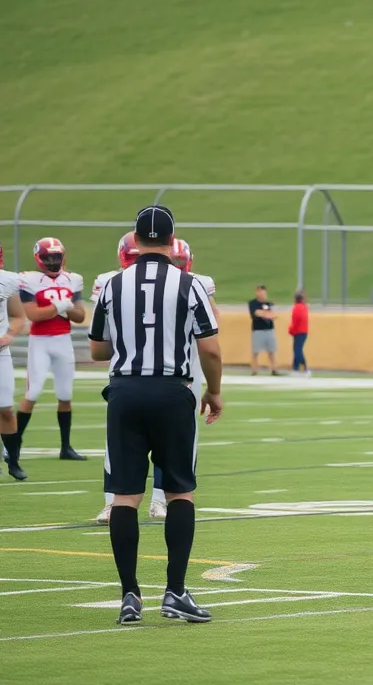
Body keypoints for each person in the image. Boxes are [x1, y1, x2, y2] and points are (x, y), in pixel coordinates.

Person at [89, 205, 223, 625]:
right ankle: (175, 591)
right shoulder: (189, 284)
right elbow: (211, 347)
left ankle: (130, 595)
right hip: (171, 391)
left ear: (134, 240)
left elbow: (96, 349)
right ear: (171, 240)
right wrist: (214, 392)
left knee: (125, 496)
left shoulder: (112, 285)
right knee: (180, 491)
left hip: (125, 392)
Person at [93, 233, 168, 523]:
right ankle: (116, 502)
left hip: (134, 374)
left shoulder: (113, 283)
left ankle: (147, 500)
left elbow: (98, 345)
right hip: (146, 373)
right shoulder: (112, 282)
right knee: (123, 445)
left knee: (122, 444)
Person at [13, 236, 87, 474]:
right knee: (32, 392)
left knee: (65, 394)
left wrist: (64, 310)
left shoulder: (72, 279)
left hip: (63, 340)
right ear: (39, 258)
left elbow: (80, 316)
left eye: (56, 256)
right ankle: (13, 444)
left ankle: (66, 447)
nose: (53, 261)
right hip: (40, 342)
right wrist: (61, 307)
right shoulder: (29, 280)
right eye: (48, 257)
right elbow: (33, 314)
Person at [0, 242, 26, 480]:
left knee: (6, 409)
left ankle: (13, 460)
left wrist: (8, 335)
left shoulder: (6, 280)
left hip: (0, 353)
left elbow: (18, 316)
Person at [248, 285, 278, 375]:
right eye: (259, 291)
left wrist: (264, 314)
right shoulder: (253, 303)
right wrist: (266, 314)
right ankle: (254, 370)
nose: (261, 293)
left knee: (271, 351)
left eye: (263, 291)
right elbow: (256, 313)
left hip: (269, 329)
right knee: (255, 351)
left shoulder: (269, 303)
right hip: (258, 330)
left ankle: (274, 369)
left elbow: (274, 315)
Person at [288, 291, 310, 376]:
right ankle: (295, 368)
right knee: (297, 349)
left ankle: (304, 367)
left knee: (297, 350)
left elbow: (296, 321)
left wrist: (291, 330)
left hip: (298, 332)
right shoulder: (304, 307)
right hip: (303, 331)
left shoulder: (297, 308)